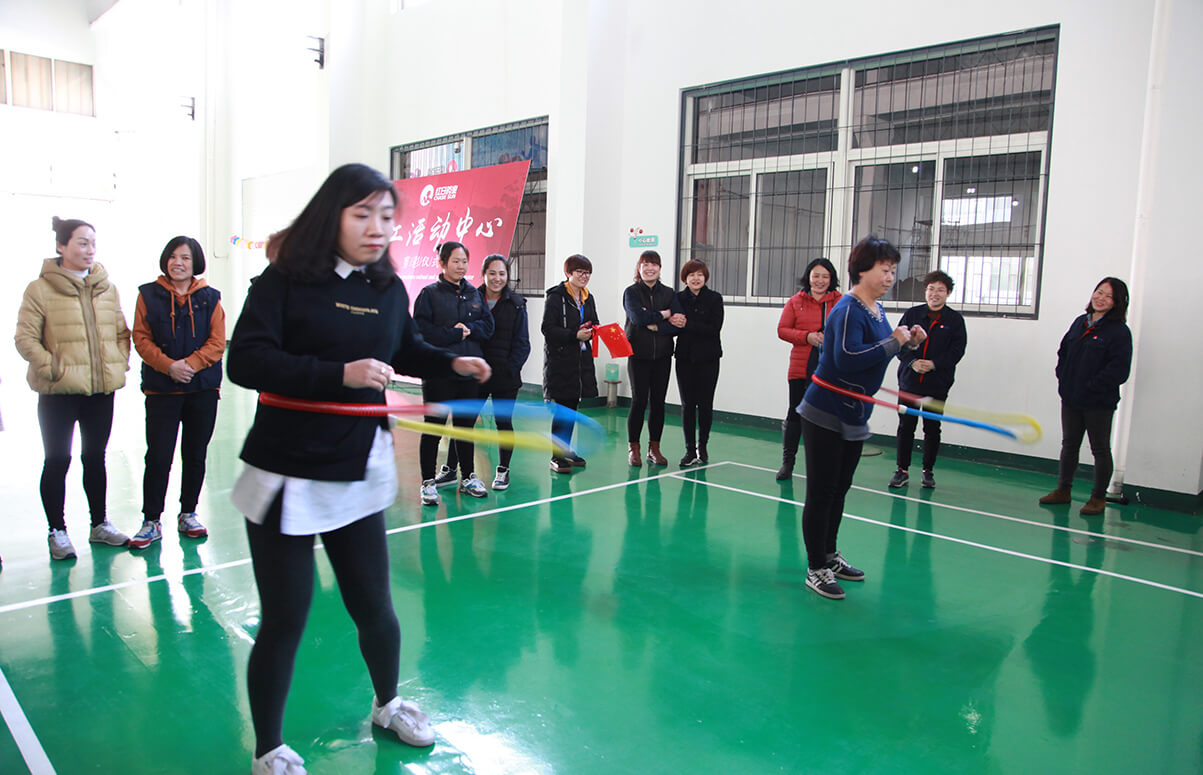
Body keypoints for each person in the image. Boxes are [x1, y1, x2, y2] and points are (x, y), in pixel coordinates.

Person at [225, 163, 490, 774]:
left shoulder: (386, 288)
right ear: (332, 216)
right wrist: (336, 376)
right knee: (285, 619)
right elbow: (247, 361)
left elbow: (404, 348)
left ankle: (388, 703)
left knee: (376, 606)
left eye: (387, 216)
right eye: (363, 214)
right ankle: (268, 748)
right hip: (288, 470)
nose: (378, 228)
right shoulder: (284, 281)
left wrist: (452, 362)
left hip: (358, 461)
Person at [796, 237, 925, 600]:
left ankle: (829, 555)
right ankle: (816, 568)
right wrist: (894, 342)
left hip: (854, 413)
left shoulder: (876, 309)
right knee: (821, 493)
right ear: (862, 270)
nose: (890, 277)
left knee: (839, 489)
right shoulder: (848, 309)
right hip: (825, 411)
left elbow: (880, 351)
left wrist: (908, 342)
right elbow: (847, 358)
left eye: (893, 270)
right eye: (884, 269)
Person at [15, 216, 132, 560]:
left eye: (93, 242)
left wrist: (118, 362)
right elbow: (25, 338)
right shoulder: (39, 289)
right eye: (82, 242)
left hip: (100, 392)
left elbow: (121, 333)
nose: (89, 249)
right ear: (61, 246)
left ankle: (100, 525)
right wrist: (53, 368)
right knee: (57, 459)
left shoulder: (107, 288)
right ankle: (58, 531)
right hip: (58, 394)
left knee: (95, 458)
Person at [128, 236, 226, 549]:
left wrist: (191, 365)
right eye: (172, 256)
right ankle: (151, 520)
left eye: (185, 257)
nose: (178, 263)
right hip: (162, 390)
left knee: (195, 454)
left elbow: (217, 342)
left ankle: (188, 513)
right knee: (158, 456)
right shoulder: (148, 294)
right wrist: (169, 366)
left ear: (195, 262)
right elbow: (141, 338)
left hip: (202, 389)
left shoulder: (211, 298)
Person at [1039, 278, 1133, 516]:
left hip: (1098, 402)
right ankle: (1063, 490)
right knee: (1069, 445)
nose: (1101, 298)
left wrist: (1092, 386)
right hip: (1071, 397)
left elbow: (1119, 370)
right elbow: (1064, 352)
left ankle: (1098, 498)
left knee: (1099, 449)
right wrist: (1063, 377)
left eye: (1108, 296)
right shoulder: (1080, 322)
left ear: (1117, 302)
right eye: (1099, 292)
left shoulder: (1119, 332)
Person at [413, 242, 495, 506]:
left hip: (468, 373)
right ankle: (427, 482)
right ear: (442, 263)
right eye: (456, 261)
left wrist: (469, 329)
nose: (461, 266)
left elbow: (488, 326)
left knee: (465, 427)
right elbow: (421, 332)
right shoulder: (429, 294)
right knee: (434, 427)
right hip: (438, 371)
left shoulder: (474, 294)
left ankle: (468, 477)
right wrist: (454, 333)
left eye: (464, 261)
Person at [888, 270, 967, 491]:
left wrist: (934, 364)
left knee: (932, 428)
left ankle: (928, 471)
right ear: (925, 291)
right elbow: (898, 343)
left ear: (948, 293)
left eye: (940, 290)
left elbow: (957, 351)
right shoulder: (912, 314)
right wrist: (912, 362)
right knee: (906, 426)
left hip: (937, 384)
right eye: (931, 289)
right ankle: (902, 470)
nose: (935, 293)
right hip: (909, 382)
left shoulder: (954, 320)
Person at [775, 258, 841, 480]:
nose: (820, 280)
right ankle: (788, 462)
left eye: (825, 276)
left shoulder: (841, 302)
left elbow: (849, 330)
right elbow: (783, 330)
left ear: (831, 279)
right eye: (816, 276)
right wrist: (807, 337)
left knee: (827, 417)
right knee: (795, 413)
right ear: (808, 277)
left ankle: (825, 465)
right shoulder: (796, 301)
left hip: (830, 369)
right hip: (800, 368)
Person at [542, 254, 599, 473]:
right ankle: (556, 456)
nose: (584, 277)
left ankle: (565, 450)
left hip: (580, 361)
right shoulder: (556, 297)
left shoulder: (588, 297)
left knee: (572, 408)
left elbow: (594, 322)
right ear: (568, 273)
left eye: (588, 273)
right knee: (562, 410)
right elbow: (547, 329)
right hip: (560, 360)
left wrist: (594, 331)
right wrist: (574, 335)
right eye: (580, 272)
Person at [623, 250, 679, 467]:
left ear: (660, 268)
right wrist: (664, 315)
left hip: (663, 356)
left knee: (658, 402)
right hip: (638, 355)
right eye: (645, 264)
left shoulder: (669, 293)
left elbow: (679, 323)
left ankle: (654, 449)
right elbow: (637, 318)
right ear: (639, 268)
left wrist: (657, 326)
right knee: (638, 401)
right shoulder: (631, 292)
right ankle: (634, 448)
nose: (649, 268)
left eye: (654, 264)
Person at [671, 259, 723, 466]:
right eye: (691, 275)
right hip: (685, 358)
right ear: (685, 278)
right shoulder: (678, 298)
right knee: (687, 405)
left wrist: (687, 324)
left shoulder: (714, 298)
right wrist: (677, 323)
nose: (696, 278)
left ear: (705, 277)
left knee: (706, 404)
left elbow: (714, 328)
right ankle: (690, 450)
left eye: (700, 274)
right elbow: (674, 325)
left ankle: (703, 447)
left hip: (709, 358)